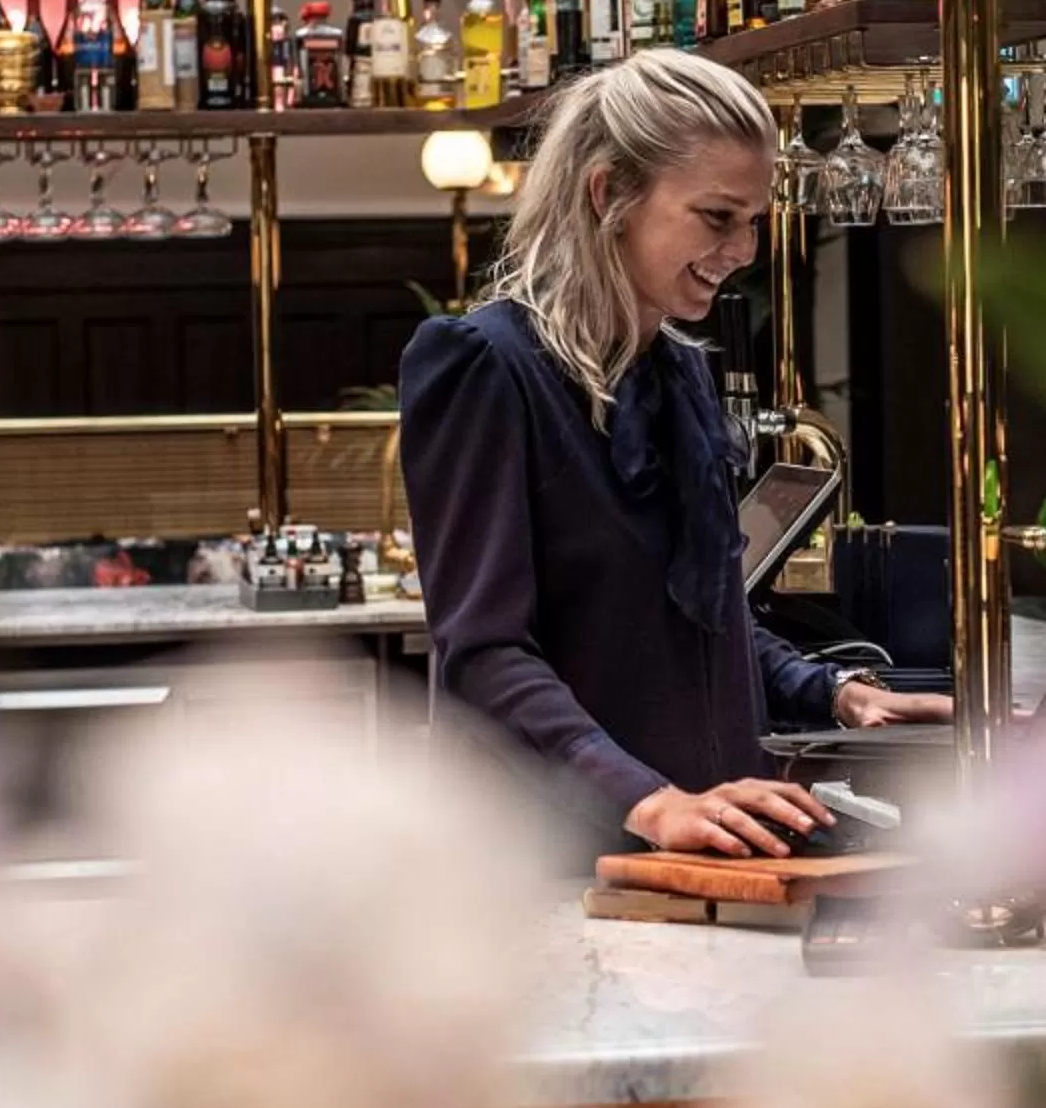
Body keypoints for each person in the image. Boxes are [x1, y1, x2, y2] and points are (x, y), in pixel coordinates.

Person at [398, 48, 950, 856]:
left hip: (707, 836)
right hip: (552, 854)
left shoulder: (679, 372)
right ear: (608, 194)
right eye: (718, 217)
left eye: (754, 221)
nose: (745, 250)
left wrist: (835, 692)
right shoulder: (486, 366)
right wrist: (650, 802)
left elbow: (698, 619)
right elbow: (485, 653)